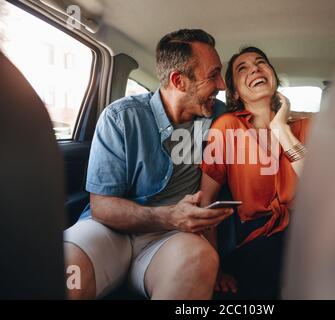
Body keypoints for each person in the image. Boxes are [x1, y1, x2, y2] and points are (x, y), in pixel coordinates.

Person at [63, 29, 233, 300]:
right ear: (179, 81)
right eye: (213, 75)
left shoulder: (218, 116)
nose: (222, 85)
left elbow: (261, 122)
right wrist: (169, 215)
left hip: (172, 239)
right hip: (109, 231)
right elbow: (102, 207)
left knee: (202, 261)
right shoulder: (120, 117)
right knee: (67, 267)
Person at [199, 46, 311, 299]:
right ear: (235, 92)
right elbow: (208, 203)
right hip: (258, 237)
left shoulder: (305, 125)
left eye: (261, 63)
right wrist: (213, 267)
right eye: (243, 68)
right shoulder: (227, 127)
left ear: (273, 76)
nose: (255, 69)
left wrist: (281, 128)